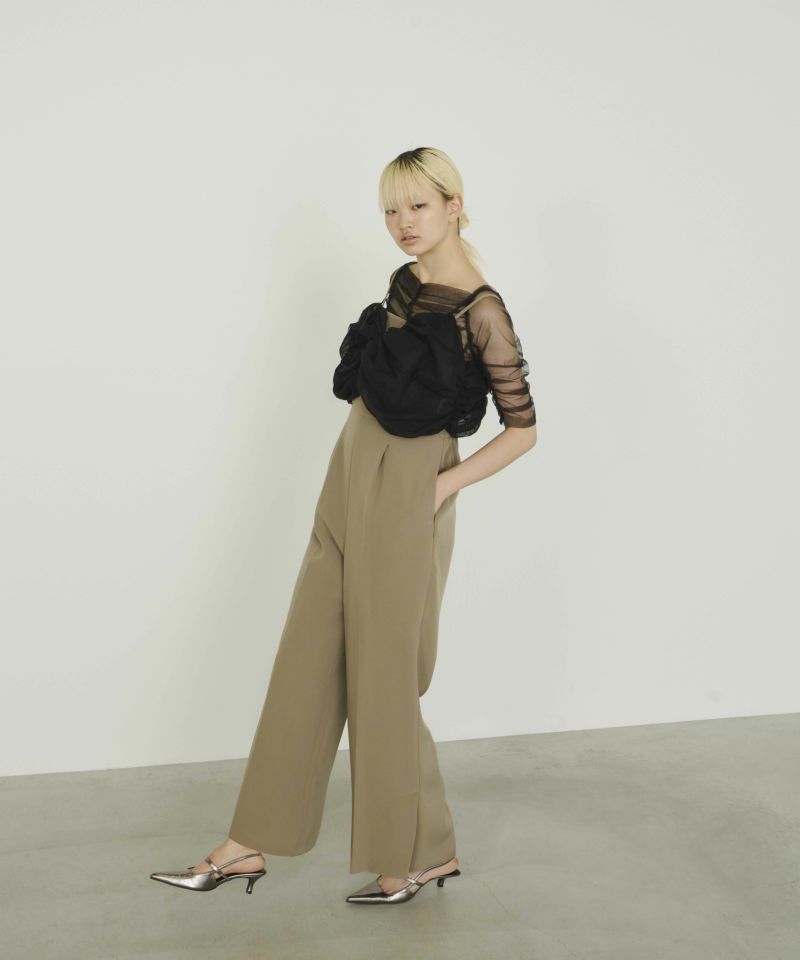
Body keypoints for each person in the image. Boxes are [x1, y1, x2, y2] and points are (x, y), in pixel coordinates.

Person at [150, 146, 537, 905]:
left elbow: (523, 431)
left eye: (417, 205)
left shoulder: (483, 310)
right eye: (390, 209)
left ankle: (419, 854)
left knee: (383, 677)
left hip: (410, 487)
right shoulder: (403, 284)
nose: (402, 222)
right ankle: (247, 843)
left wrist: (438, 489)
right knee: (308, 654)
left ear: (454, 205)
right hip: (350, 469)